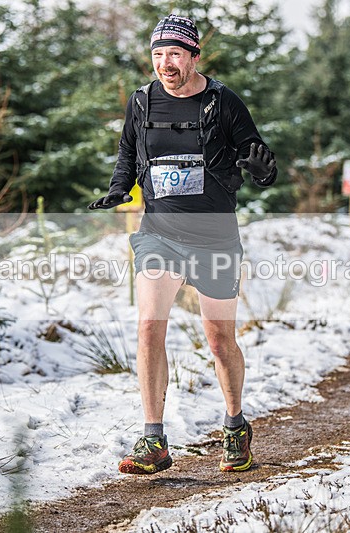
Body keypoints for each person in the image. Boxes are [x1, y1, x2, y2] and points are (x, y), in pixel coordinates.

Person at [88, 14, 277, 475]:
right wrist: (119, 188)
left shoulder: (223, 102)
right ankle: (153, 439)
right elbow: (128, 152)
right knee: (149, 327)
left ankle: (235, 426)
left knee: (219, 340)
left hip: (215, 237)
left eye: (174, 54)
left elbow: (257, 155)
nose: (165, 63)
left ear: (194, 56)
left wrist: (262, 171)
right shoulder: (142, 102)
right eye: (158, 54)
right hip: (160, 234)